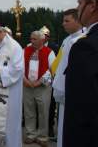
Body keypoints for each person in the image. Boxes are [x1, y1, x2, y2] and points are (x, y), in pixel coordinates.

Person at [64, 0, 98, 147]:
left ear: (92, 6)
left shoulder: (86, 46)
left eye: (79, 3)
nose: (77, 9)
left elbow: (80, 109)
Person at [52, 9, 84, 147]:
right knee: (62, 130)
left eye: (67, 21)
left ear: (78, 20)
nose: (63, 24)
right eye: (63, 20)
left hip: (72, 93)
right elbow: (57, 64)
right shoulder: (66, 40)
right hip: (62, 91)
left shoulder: (83, 39)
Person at [22, 31, 55, 146]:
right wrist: (25, 80)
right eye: (31, 39)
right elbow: (19, 67)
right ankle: (31, 134)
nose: (32, 41)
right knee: (28, 111)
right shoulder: (25, 50)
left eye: (34, 39)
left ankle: (42, 136)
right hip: (26, 85)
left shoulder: (49, 52)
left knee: (43, 112)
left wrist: (38, 82)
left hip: (42, 87)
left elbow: (52, 70)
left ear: (42, 40)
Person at [39, 25, 59, 139]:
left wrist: (48, 77)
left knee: (50, 105)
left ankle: (50, 127)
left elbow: (55, 65)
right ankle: (39, 127)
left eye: (45, 35)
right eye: (41, 34)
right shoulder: (35, 46)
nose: (43, 37)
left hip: (49, 79)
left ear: (48, 37)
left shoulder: (54, 47)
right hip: (36, 79)